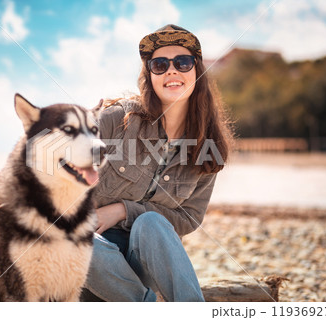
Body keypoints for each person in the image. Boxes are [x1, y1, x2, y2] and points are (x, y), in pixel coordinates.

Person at [82, 24, 232, 302]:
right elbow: (53, 173)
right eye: (160, 64)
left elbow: (188, 219)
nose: (172, 71)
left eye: (183, 62)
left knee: (151, 222)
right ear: (149, 75)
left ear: (197, 71)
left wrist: (123, 211)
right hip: (92, 267)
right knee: (73, 236)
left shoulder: (208, 147)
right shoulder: (116, 121)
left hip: (145, 265)